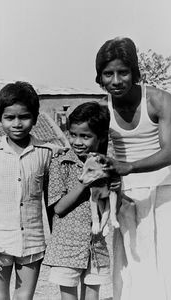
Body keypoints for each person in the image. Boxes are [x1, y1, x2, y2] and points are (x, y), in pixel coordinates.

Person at [95, 36, 171, 300]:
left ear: (135, 72)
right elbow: (97, 159)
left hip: (165, 188)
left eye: (124, 72)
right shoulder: (103, 110)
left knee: (168, 259)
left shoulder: (158, 100)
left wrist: (128, 166)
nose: (116, 81)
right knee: (132, 261)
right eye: (108, 74)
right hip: (128, 193)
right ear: (99, 77)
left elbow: (169, 153)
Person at [0, 81, 66, 300]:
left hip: (33, 242)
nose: (17, 123)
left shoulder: (47, 153)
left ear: (34, 118)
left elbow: (52, 197)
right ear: (0, 118)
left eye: (23, 117)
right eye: (9, 117)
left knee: (24, 297)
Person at [43, 102, 114, 300]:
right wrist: (85, 181)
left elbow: (111, 200)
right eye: (73, 134)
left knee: (92, 296)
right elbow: (59, 208)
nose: (77, 141)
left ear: (100, 138)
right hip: (67, 245)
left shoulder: (107, 165)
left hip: (96, 245)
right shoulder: (60, 163)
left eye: (85, 136)